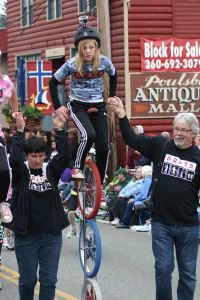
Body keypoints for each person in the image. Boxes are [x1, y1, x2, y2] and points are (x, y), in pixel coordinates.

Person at [108, 96, 200, 300]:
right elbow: (132, 140)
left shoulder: (198, 158)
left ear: (193, 133)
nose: (178, 133)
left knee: (188, 275)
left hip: (189, 226)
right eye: (176, 128)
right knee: (164, 268)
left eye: (183, 130)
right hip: (162, 224)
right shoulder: (161, 145)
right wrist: (122, 115)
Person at [7, 112, 71, 300]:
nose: (37, 159)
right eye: (33, 156)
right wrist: (19, 131)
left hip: (51, 235)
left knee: (49, 281)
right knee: (27, 281)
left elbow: (65, 155)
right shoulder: (21, 173)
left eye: (40, 155)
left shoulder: (50, 171)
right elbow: (14, 160)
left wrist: (58, 128)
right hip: (26, 236)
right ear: (27, 156)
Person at [49, 20, 117, 182]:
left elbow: (114, 75)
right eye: (84, 48)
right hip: (77, 104)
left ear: (96, 48)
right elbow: (53, 82)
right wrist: (58, 107)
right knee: (89, 134)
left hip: (98, 104)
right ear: (79, 49)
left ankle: (100, 182)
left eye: (91, 47)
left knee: (103, 147)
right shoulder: (72, 64)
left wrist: (112, 96)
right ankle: (77, 167)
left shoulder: (104, 62)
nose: (88, 51)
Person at [0, 65, 18, 223]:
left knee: (4, 170)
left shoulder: (5, 82)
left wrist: (15, 112)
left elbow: (13, 95)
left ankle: (3, 203)